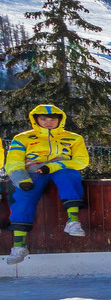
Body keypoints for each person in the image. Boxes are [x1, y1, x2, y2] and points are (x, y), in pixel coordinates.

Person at [6, 103, 89, 265]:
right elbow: (14, 161)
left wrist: (53, 167)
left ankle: (73, 221)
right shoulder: (22, 138)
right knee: (23, 197)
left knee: (70, 177)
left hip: (61, 168)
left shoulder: (74, 138)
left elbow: (81, 161)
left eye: (52, 119)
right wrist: (21, 179)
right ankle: (19, 246)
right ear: (35, 119)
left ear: (60, 120)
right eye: (43, 119)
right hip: (33, 171)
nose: (48, 122)